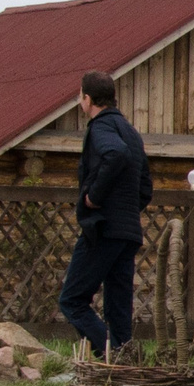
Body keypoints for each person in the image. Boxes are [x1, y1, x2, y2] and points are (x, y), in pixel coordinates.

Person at [59, 71, 149, 361]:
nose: (79, 102)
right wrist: (126, 209)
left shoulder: (101, 128)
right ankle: (126, 364)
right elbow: (145, 188)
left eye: (80, 96)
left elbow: (116, 155)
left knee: (72, 300)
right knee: (118, 306)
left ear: (88, 99)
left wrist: (94, 196)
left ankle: (112, 354)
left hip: (104, 229)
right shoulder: (131, 132)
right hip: (128, 232)